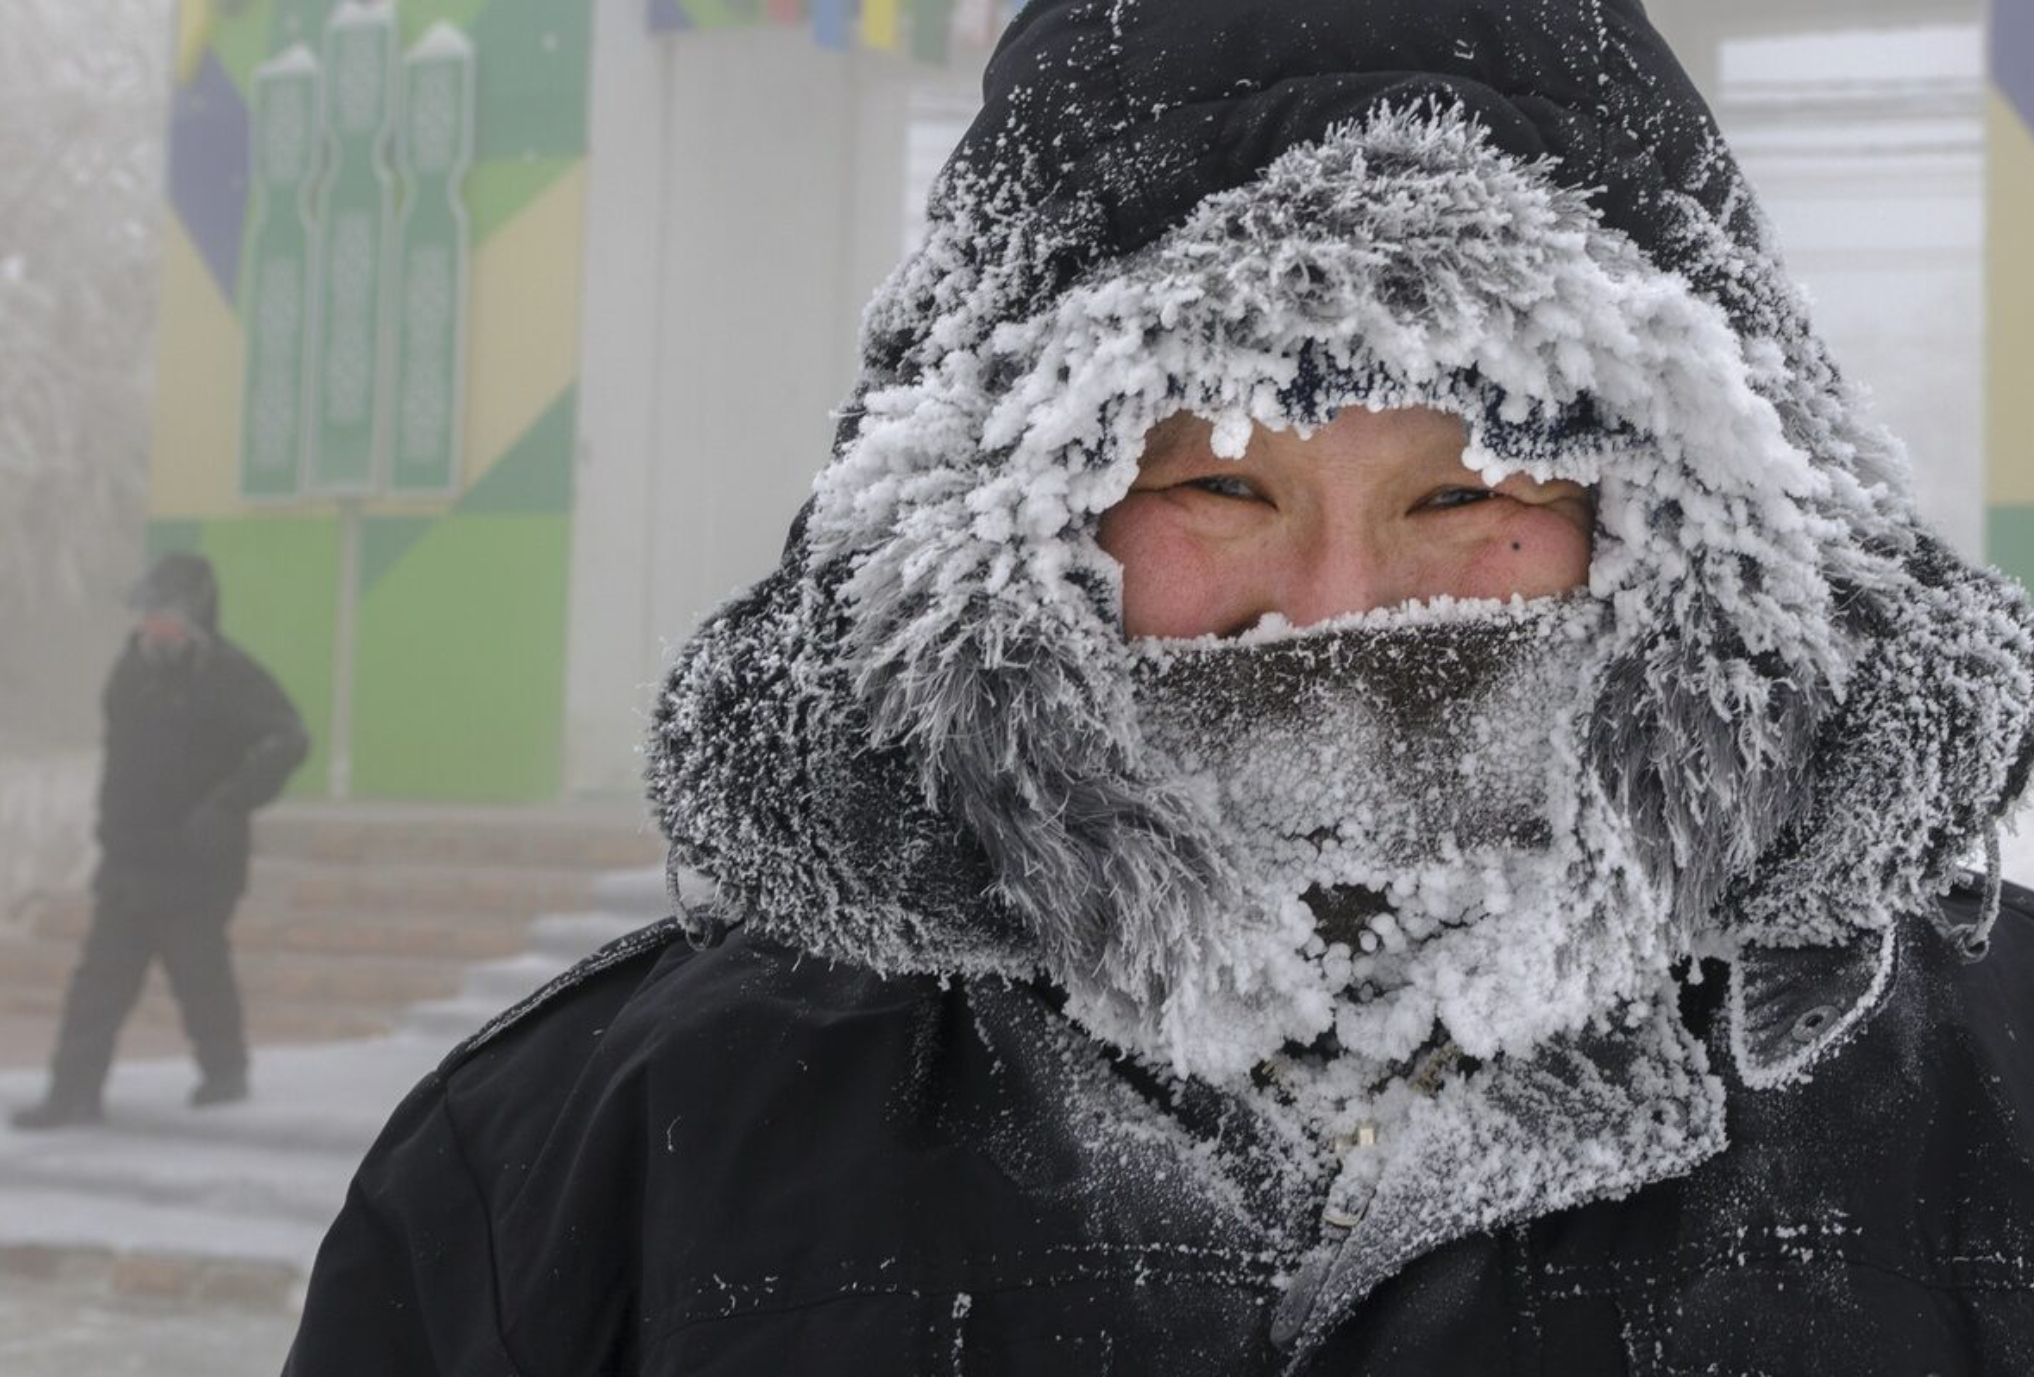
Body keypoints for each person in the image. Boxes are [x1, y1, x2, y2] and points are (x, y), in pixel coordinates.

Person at [285, 1, 2034, 1371]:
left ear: (1673, 524)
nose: (1334, 607)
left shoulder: (1993, 1101)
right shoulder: (595, 1159)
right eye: (1213, 484)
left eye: (1472, 490)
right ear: (1006, 519)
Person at [11, 552, 309, 1130]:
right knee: (97, 985)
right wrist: (109, 827)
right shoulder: (132, 673)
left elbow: (288, 738)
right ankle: (73, 1093)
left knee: (200, 975)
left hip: (196, 865)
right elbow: (124, 763)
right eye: (148, 614)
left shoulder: (227, 673)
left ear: (195, 614)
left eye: (165, 614)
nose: (154, 626)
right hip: (130, 860)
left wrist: (228, 803)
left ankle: (224, 1074)